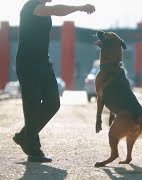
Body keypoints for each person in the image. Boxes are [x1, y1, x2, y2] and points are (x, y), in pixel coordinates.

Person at [13, 0, 95, 162]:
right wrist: (79, 7)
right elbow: (57, 10)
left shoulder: (41, 8)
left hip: (43, 63)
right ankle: (33, 149)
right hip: (28, 64)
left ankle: (25, 136)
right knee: (33, 106)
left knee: (53, 103)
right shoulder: (31, 6)